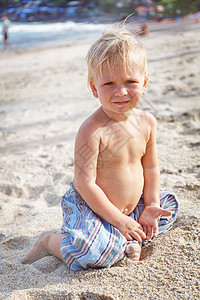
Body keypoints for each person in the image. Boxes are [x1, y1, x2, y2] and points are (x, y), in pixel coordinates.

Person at [22, 27, 179, 271]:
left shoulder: (147, 121)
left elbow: (151, 167)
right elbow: (85, 184)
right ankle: (50, 241)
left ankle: (123, 238)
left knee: (168, 206)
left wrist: (149, 205)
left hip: (131, 208)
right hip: (92, 208)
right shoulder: (92, 130)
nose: (121, 91)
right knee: (92, 253)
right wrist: (118, 220)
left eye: (130, 81)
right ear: (94, 88)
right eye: (109, 83)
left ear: (145, 83)